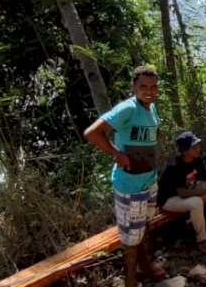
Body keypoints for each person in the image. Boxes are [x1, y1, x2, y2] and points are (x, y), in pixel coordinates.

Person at [83, 66, 167, 286]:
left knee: (144, 229)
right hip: (130, 185)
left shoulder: (151, 108)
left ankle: (146, 267)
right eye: (143, 87)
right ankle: (130, 281)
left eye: (153, 87)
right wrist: (116, 154)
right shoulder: (127, 108)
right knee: (130, 239)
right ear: (133, 87)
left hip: (148, 181)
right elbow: (92, 133)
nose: (149, 91)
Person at [158, 131, 206, 253]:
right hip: (170, 199)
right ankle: (201, 240)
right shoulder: (175, 166)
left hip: (189, 189)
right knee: (196, 202)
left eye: (197, 145)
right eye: (194, 146)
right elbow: (182, 193)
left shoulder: (196, 159)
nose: (197, 148)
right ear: (185, 150)